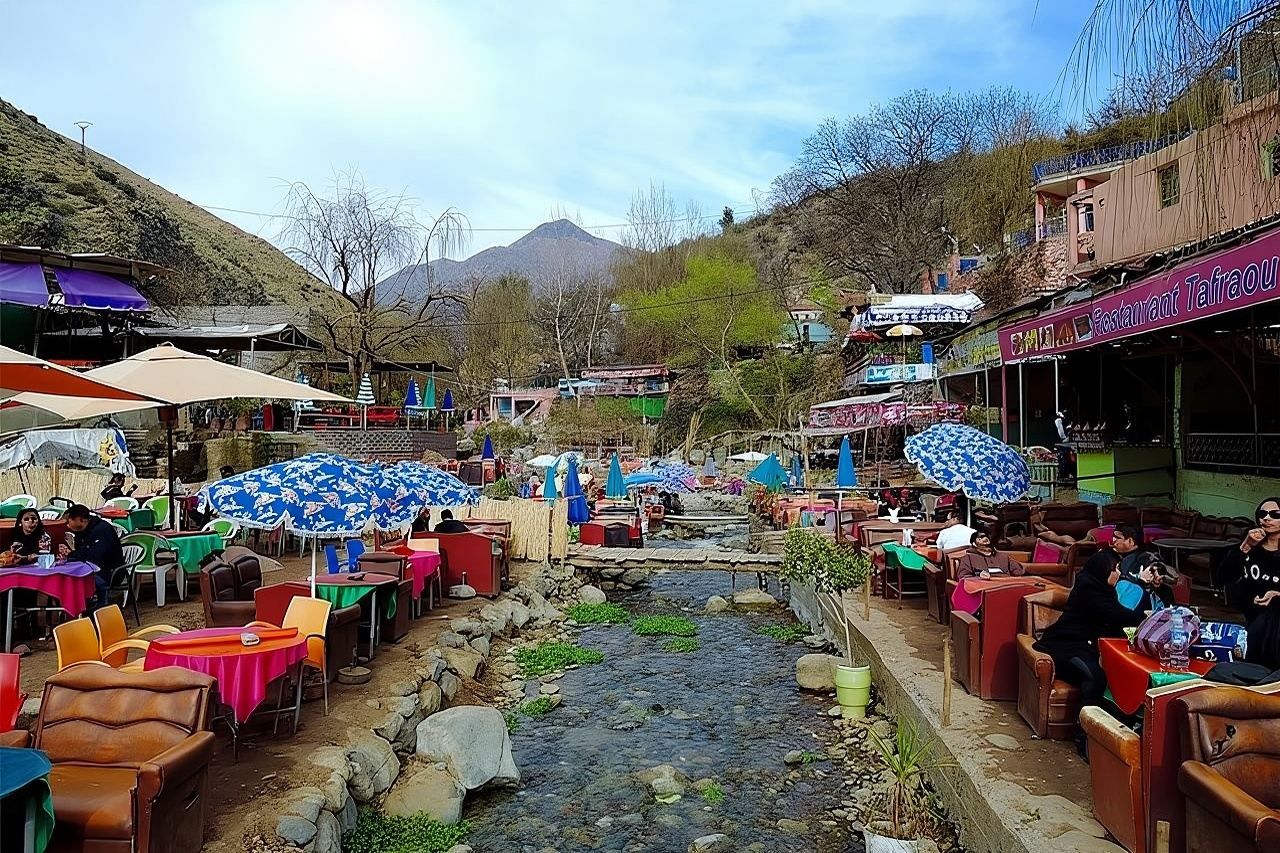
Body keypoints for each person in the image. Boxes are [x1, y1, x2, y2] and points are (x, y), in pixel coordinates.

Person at [1034, 522, 1157, 739]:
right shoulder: (1090, 591)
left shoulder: (1100, 586)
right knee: (1096, 676)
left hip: (1084, 644)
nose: (1119, 574)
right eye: (1116, 569)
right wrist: (1144, 617)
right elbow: (1117, 614)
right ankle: (1084, 736)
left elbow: (1117, 611)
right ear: (1104, 570)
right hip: (1065, 645)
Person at [1217, 497, 1280, 668]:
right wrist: (1245, 546)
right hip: (1251, 621)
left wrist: (1276, 594)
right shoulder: (1251, 547)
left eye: (1275, 514)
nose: (1267, 518)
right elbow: (1223, 577)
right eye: (1262, 514)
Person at [59, 504, 125, 609]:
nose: (67, 525)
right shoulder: (81, 532)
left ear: (79, 519)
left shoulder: (102, 530)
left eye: (68, 522)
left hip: (108, 572)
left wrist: (72, 554)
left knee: (75, 581)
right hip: (89, 568)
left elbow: (95, 556)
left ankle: (91, 609)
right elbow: (82, 552)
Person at [954, 530, 1027, 580]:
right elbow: (963, 577)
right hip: (984, 588)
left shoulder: (1003, 556)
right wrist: (979, 577)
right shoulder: (968, 558)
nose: (985, 538)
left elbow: (1018, 572)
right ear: (974, 543)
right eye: (981, 537)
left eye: (986, 536)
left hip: (1005, 586)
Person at [1054, 409, 1075, 483]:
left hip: (1063, 443)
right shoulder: (1058, 420)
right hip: (1063, 443)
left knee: (1066, 458)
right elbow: (1061, 433)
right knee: (1065, 459)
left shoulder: (1063, 421)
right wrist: (1065, 439)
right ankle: (1065, 475)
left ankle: (1066, 474)